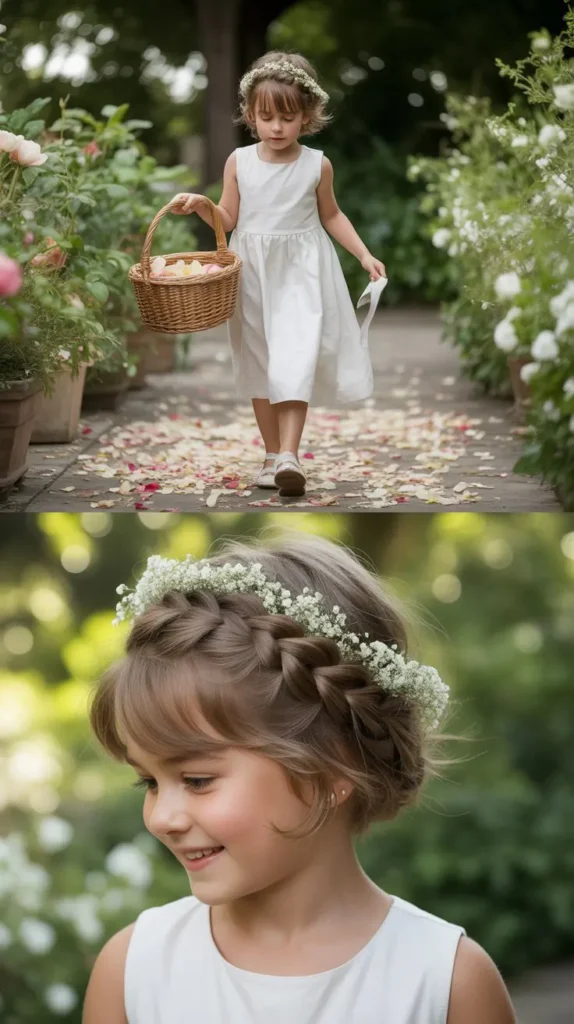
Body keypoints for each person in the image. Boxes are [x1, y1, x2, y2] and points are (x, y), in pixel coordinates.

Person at [83, 532, 516, 1024]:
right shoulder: (133, 972)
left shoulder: (446, 983)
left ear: (332, 766)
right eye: (150, 783)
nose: (162, 817)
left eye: (198, 779)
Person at [169, 52, 387, 498]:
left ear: (307, 116)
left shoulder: (317, 165)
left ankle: (289, 454)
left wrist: (364, 255)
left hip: (302, 273)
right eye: (266, 116)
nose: (276, 127)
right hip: (252, 273)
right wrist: (203, 206)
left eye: (287, 117)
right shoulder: (239, 162)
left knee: (295, 356)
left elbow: (332, 215)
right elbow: (228, 219)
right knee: (259, 360)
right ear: (250, 114)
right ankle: (271, 455)